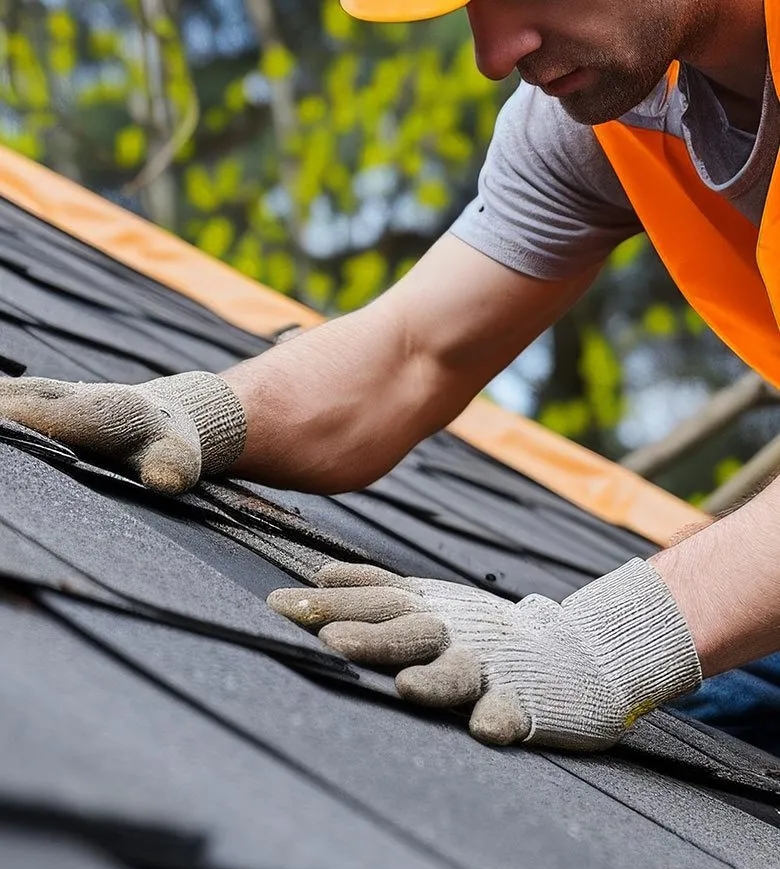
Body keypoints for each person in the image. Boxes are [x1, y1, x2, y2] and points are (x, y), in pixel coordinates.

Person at [2, 0, 780, 752]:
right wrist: (204, 413)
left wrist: (601, 644)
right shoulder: (617, 114)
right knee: (691, 727)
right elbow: (414, 353)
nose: (493, 53)